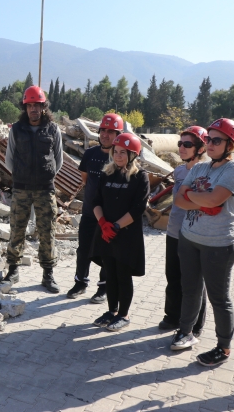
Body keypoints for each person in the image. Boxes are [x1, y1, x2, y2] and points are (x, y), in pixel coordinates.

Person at [171, 118, 234, 367]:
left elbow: (215, 201)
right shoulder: (199, 168)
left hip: (219, 245)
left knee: (218, 298)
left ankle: (223, 347)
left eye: (216, 140)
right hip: (189, 238)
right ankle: (186, 332)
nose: (210, 144)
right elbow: (180, 201)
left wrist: (198, 197)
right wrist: (204, 199)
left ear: (230, 144)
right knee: (190, 289)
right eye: (208, 139)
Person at [4, 85, 63, 292]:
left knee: (47, 232)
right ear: (25, 107)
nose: (33, 110)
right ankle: (12, 270)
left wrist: (45, 177)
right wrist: (21, 176)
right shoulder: (17, 129)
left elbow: (58, 159)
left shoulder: (53, 129)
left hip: (45, 189)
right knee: (17, 229)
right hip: (20, 189)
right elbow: (9, 159)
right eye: (29, 106)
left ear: (43, 107)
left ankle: (48, 274)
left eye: (37, 105)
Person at [90, 133, 150, 332]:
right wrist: (103, 224)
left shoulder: (140, 177)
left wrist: (116, 226)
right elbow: (95, 202)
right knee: (110, 274)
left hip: (126, 235)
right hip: (106, 233)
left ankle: (124, 314)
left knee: (123, 275)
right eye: (116, 151)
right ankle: (111, 311)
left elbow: (138, 208)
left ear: (133, 154)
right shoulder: (106, 174)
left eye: (123, 152)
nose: (118, 156)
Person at [66, 113, 122, 303]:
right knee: (84, 249)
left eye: (111, 132)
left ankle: (104, 287)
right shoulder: (90, 154)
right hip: (90, 212)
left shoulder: (121, 157)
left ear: (118, 134)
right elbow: (85, 178)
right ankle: (80, 282)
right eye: (103, 131)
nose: (105, 135)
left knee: (107, 251)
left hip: (111, 216)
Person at [159, 126, 208, 335]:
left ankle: (195, 324)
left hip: (195, 234)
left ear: (199, 148)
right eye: (180, 144)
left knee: (194, 282)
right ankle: (172, 316)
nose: (181, 148)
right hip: (173, 231)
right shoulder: (179, 171)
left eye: (187, 144)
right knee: (173, 275)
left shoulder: (207, 172)